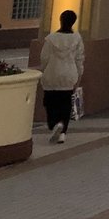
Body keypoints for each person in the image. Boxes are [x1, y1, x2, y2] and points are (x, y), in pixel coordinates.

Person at [40, 10, 85, 144]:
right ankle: (63, 132)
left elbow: (44, 58)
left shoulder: (51, 39)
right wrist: (79, 74)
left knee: (50, 101)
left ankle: (54, 123)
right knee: (65, 103)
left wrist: (44, 70)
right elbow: (79, 58)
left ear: (61, 20)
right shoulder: (77, 39)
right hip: (69, 74)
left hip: (52, 73)